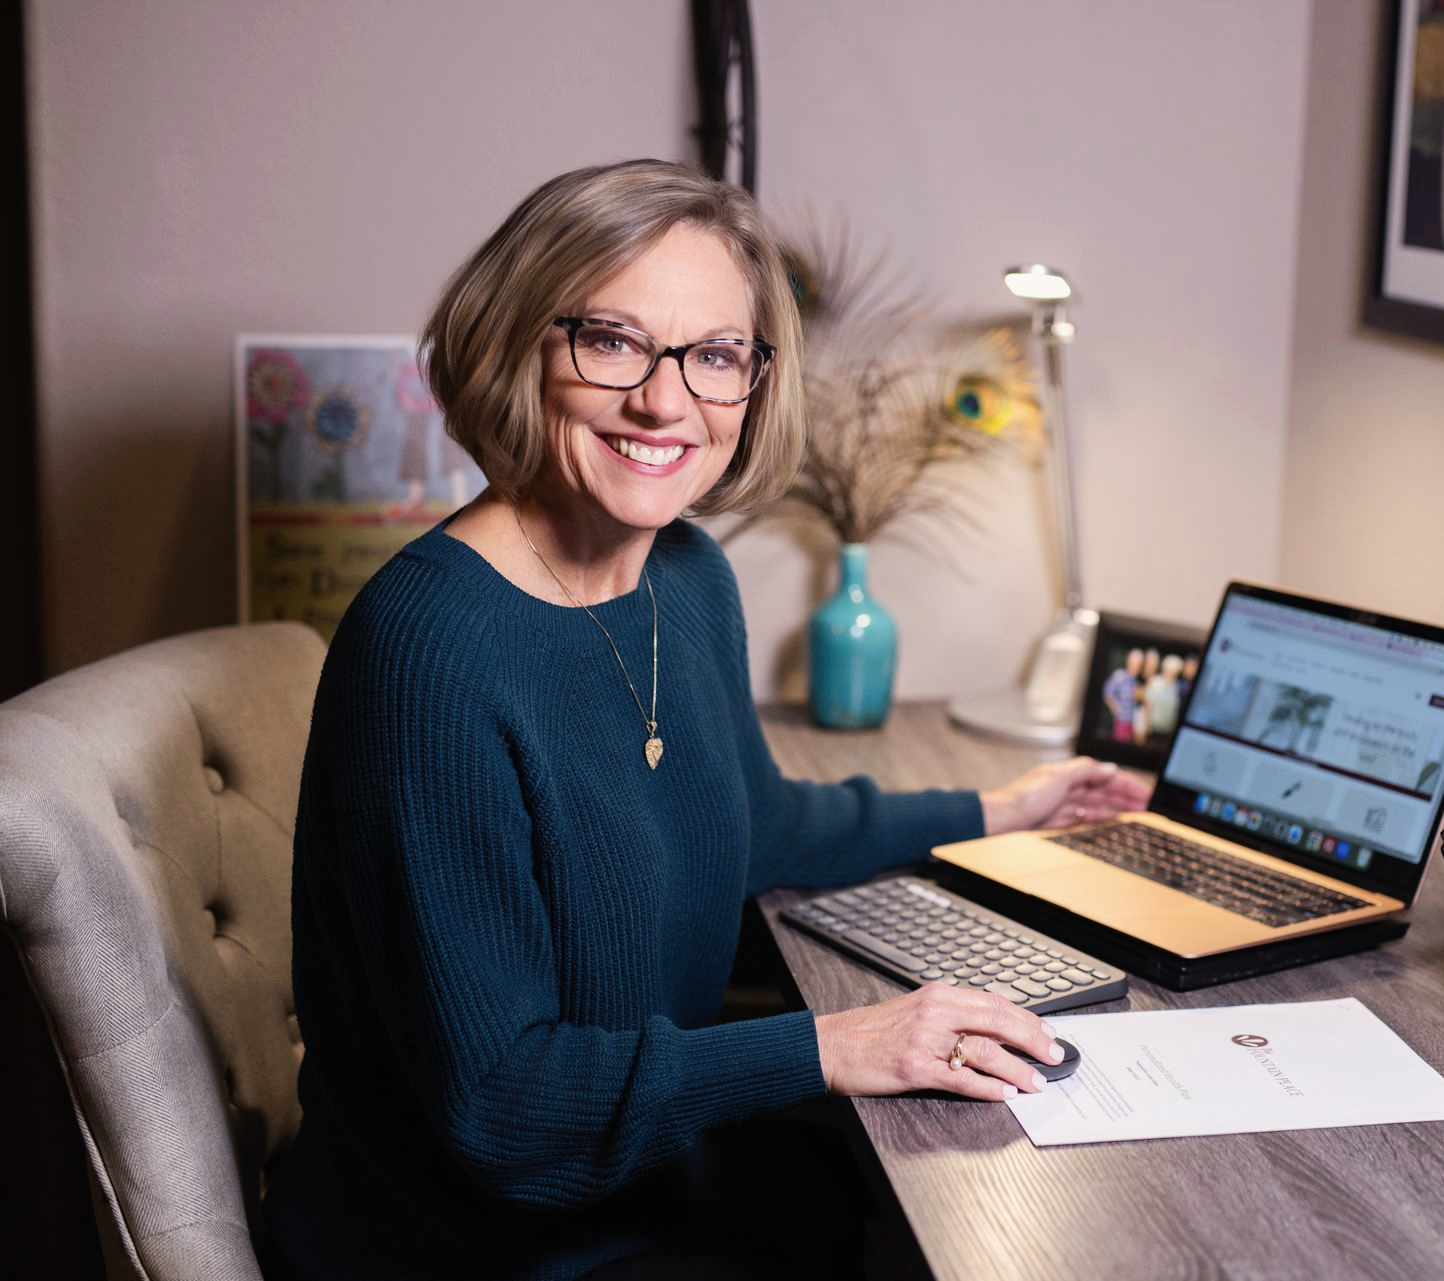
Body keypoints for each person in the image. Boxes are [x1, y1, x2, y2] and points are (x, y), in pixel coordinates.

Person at [260, 159, 1147, 1281]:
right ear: (517, 341)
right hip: (473, 1241)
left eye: (715, 354)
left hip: (643, 1183)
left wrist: (1001, 808)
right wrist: (836, 1043)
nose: (664, 402)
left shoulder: (684, 574)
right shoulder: (427, 649)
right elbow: (501, 1107)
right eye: (612, 341)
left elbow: (758, 824)